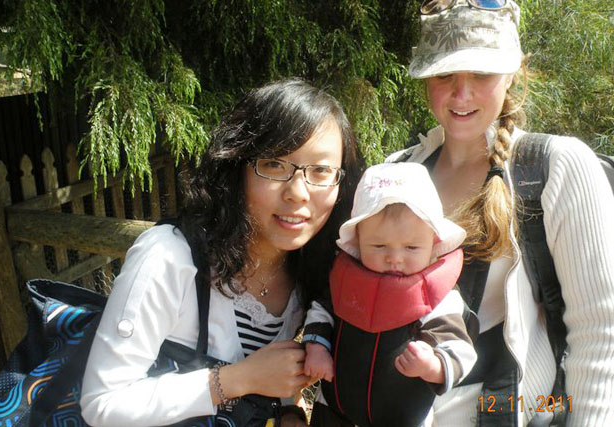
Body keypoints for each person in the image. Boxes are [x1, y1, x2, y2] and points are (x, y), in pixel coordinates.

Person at [79, 78, 363, 426]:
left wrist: (288, 411)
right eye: (274, 164)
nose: (298, 192)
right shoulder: (169, 258)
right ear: (236, 167)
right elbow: (102, 404)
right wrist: (238, 379)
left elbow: (270, 376)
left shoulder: (308, 268)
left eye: (320, 170)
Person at [385, 0, 614, 425]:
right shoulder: (397, 172)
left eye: (482, 73)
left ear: (513, 72)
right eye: (445, 74)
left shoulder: (554, 167)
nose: (462, 94)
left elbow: (600, 332)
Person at [302, 162, 477, 426]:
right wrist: (316, 347)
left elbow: (461, 350)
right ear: (358, 242)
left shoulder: (439, 297)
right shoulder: (346, 279)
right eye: (379, 245)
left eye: (411, 247)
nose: (394, 258)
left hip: (402, 416)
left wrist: (433, 365)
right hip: (333, 407)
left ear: (433, 244)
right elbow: (321, 311)